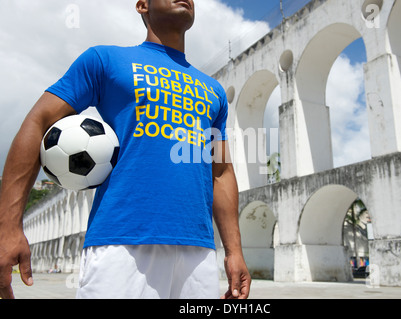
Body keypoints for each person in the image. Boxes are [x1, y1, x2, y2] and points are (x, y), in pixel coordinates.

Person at [0, 0, 251, 299]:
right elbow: (38, 121)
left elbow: (220, 171)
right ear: (142, 5)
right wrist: (9, 226)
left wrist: (234, 250)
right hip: (121, 243)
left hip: (198, 252)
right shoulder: (105, 60)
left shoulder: (214, 90)